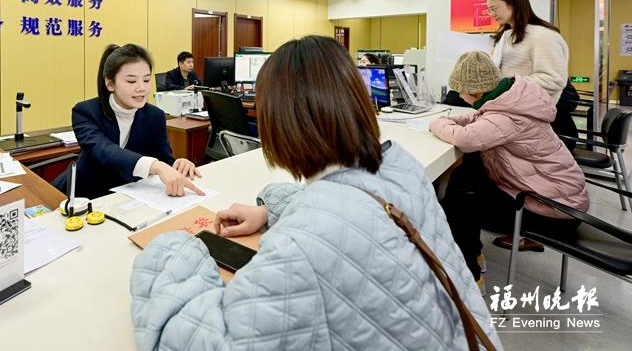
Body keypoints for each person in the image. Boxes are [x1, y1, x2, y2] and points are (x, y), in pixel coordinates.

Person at [130, 36, 500, 351]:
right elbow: (353, 206)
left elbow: (205, 339)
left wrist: (173, 247)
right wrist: (271, 210)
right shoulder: (400, 170)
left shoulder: (303, 244)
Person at [430, 51, 589, 285]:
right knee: (468, 174)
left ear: (476, 91)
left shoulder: (506, 117)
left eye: (460, 91)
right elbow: (478, 120)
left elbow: (466, 138)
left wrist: (437, 122)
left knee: (459, 203)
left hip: (556, 211)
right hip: (558, 196)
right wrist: (454, 120)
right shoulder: (511, 100)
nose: (460, 96)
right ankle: (472, 253)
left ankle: (468, 277)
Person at [68, 44, 203, 200]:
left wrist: (177, 164)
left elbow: (163, 158)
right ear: (110, 83)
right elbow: (103, 150)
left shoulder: (155, 115)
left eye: (146, 80)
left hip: (131, 196)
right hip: (87, 196)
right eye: (131, 81)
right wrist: (156, 166)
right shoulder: (86, 111)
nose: (142, 88)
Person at [486, 0, 578, 149]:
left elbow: (553, 80)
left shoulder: (543, 36)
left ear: (512, 4)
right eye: (489, 10)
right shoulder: (506, 36)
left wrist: (507, 85)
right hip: (515, 113)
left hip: (540, 122)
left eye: (495, 8)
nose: (491, 14)